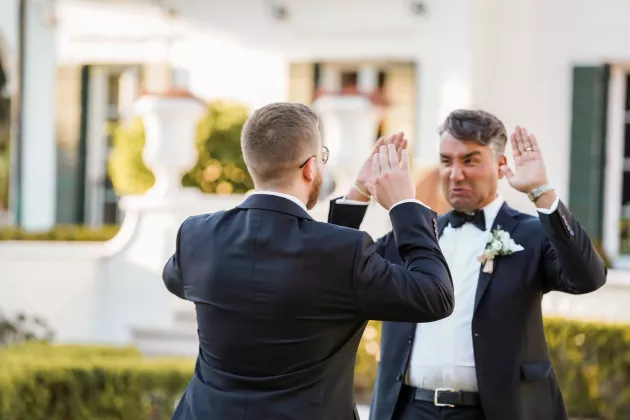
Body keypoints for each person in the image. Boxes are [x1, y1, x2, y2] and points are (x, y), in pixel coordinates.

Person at [162, 102, 454, 420]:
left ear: (250, 162)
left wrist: (357, 196)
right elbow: (434, 296)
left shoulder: (196, 235)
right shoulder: (341, 255)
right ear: (310, 168)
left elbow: (177, 280)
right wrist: (405, 205)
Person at [328, 109, 607, 420]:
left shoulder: (531, 234)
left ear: (501, 165)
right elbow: (334, 269)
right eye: (446, 161)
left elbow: (587, 277)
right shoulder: (415, 234)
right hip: (408, 410)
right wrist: (359, 190)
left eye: (470, 161)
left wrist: (541, 192)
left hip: (497, 412)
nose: (455, 174)